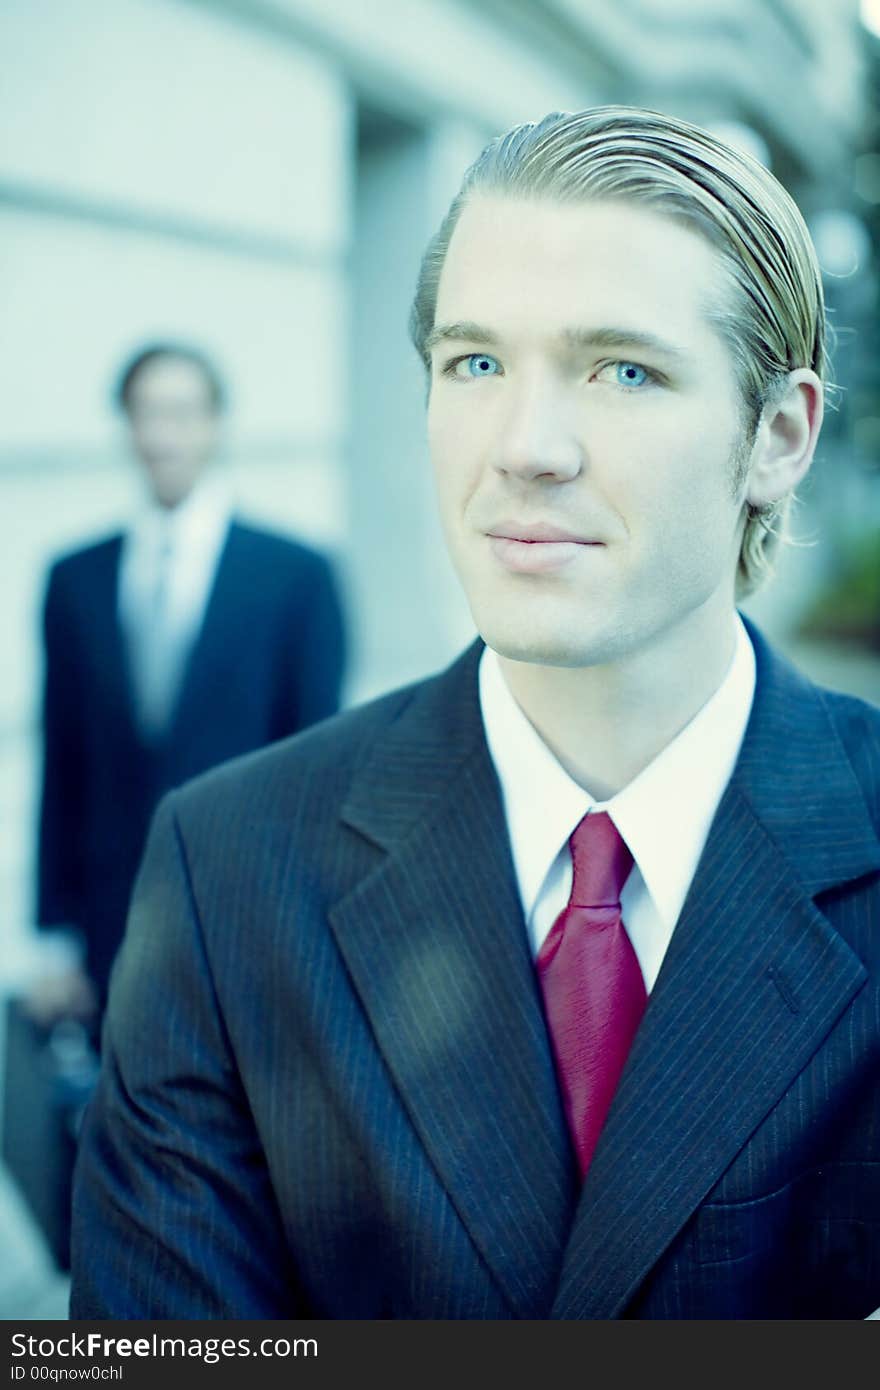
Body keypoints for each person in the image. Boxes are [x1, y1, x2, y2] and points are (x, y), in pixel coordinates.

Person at [69, 109, 880, 1320]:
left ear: (777, 435)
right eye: (477, 364)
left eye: (622, 369)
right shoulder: (225, 867)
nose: (525, 448)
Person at [36, 342, 346, 1018]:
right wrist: (53, 936)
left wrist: (307, 920)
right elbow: (62, 759)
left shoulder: (296, 574)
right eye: (145, 414)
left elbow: (319, 763)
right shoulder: (74, 578)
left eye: (180, 413)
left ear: (215, 424)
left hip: (249, 916)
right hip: (110, 923)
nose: (162, 435)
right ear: (126, 428)